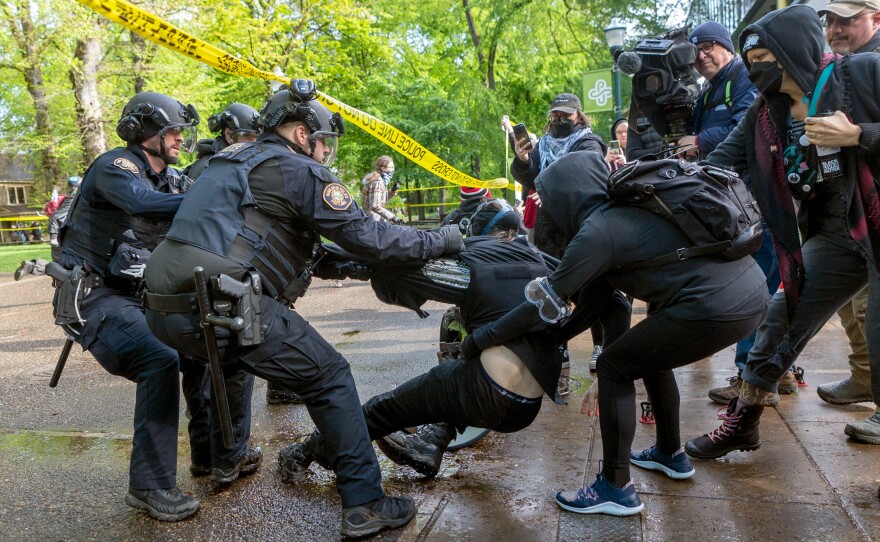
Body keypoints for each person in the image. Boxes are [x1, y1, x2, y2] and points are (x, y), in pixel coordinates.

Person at [142, 83, 464, 538]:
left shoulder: (227, 161)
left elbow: (275, 243)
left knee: (228, 363)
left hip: (163, 306)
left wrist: (352, 266)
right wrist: (441, 239)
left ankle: (217, 459)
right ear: (299, 134)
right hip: (219, 303)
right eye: (323, 143)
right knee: (329, 375)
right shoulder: (299, 171)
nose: (325, 154)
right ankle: (366, 503)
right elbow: (370, 235)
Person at [460, 152, 768, 516]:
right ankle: (671, 454)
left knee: (614, 366)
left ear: (566, 196)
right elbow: (598, 300)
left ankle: (615, 487)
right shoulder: (622, 214)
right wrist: (553, 339)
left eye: (550, 199)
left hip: (714, 308)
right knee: (651, 356)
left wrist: (479, 339)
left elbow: (542, 304)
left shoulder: (597, 231)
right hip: (750, 293)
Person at [685, 5, 880, 460]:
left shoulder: (864, 74)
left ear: (793, 52)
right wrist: (656, 184)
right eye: (750, 62)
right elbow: (717, 166)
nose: (756, 71)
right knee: (781, 317)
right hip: (833, 234)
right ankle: (743, 421)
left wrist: (858, 136)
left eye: (765, 59)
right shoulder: (766, 112)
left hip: (875, 222)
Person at [278, 198, 565, 480]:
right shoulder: (545, 263)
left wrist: (317, 257)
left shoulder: (471, 258)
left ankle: (303, 454)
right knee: (449, 382)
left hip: (487, 389)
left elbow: (387, 259)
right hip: (528, 407)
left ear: (478, 232)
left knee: (382, 410)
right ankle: (430, 442)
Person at [53, 91, 206, 521]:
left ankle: (212, 456)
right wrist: (210, 200)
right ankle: (150, 486)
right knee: (158, 358)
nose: (180, 139)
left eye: (181, 131)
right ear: (145, 132)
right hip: (94, 296)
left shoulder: (169, 180)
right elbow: (140, 204)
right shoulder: (115, 167)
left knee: (202, 339)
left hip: (135, 294)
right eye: (172, 130)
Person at [512, 93, 630, 395]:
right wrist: (524, 159)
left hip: (579, 224)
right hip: (548, 229)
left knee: (592, 286)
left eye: (567, 114)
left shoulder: (590, 143)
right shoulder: (542, 146)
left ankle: (599, 344)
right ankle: (557, 348)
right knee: (552, 289)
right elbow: (529, 178)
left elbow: (578, 176)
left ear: (579, 115)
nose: (560, 120)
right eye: (556, 115)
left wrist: (548, 188)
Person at [814, 0, 880, 405]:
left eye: (848, 20)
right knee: (855, 309)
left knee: (872, 313)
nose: (836, 28)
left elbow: (855, 135)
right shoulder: (839, 68)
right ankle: (863, 379)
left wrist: (858, 135)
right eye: (830, 21)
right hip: (850, 211)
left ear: (876, 17)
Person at [185, 103, 259, 180]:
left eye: (258, 137)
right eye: (248, 136)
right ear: (228, 135)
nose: (255, 142)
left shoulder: (234, 163)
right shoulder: (211, 167)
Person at [361, 155, 403, 224]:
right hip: (372, 221)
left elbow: (378, 200)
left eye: (393, 167)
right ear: (383, 168)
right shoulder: (378, 182)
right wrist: (393, 217)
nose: (393, 169)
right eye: (391, 167)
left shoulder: (381, 180)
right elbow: (375, 206)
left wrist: (391, 192)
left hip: (374, 220)